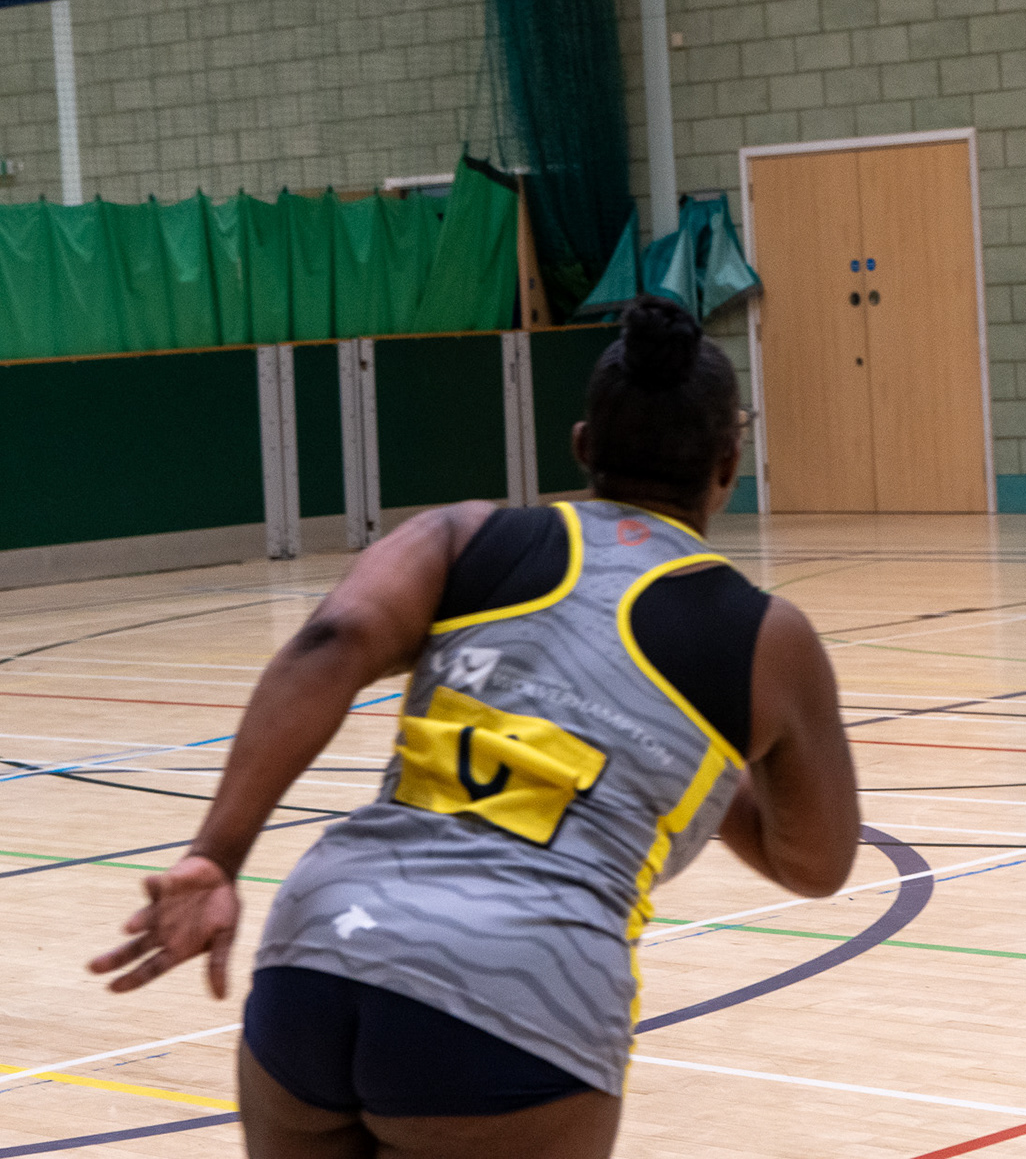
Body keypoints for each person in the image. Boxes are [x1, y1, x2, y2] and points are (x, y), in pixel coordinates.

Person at [92, 297, 860, 1158]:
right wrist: (672, 749)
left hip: (321, 951)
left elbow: (328, 645)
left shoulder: (464, 534)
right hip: (522, 987)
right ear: (729, 464)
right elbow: (815, 862)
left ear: (582, 446)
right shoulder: (766, 639)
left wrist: (216, 855)